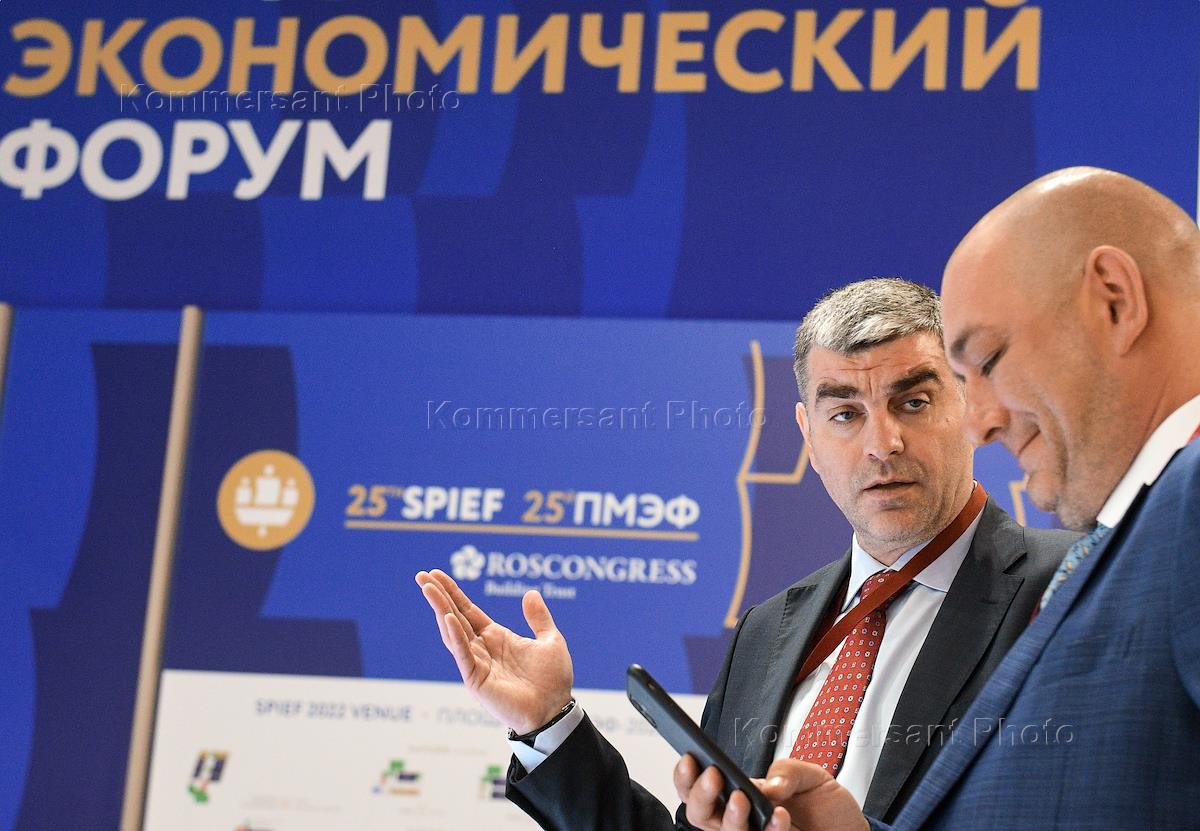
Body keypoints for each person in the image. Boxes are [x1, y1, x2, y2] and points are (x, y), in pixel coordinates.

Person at [416, 278, 1071, 830]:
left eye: (914, 402)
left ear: (970, 406)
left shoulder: (1071, 589)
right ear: (808, 438)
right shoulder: (767, 629)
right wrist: (549, 725)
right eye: (845, 414)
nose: (882, 442)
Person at [747, 167, 1200, 830]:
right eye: (844, 414)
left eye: (987, 361)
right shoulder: (1145, 533)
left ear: (1114, 300)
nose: (980, 422)